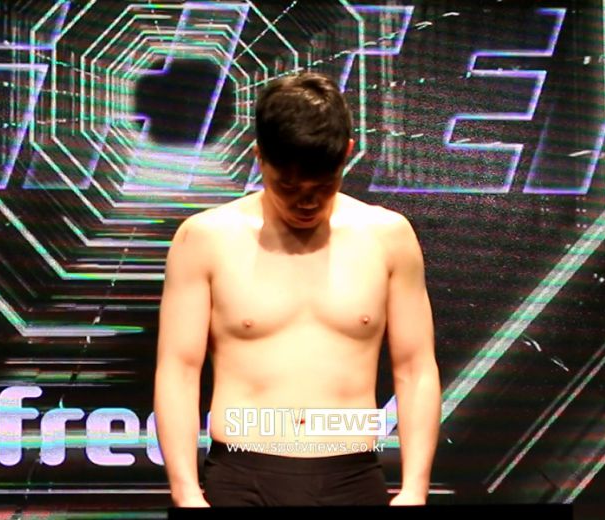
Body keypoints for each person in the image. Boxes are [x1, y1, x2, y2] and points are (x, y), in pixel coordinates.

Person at [154, 71, 441, 507]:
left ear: (346, 154)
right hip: (241, 476)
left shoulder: (388, 236)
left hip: (352, 475)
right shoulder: (205, 238)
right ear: (259, 158)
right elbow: (178, 368)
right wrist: (185, 491)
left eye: (323, 186)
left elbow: (415, 367)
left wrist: (415, 488)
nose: (306, 202)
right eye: (287, 185)